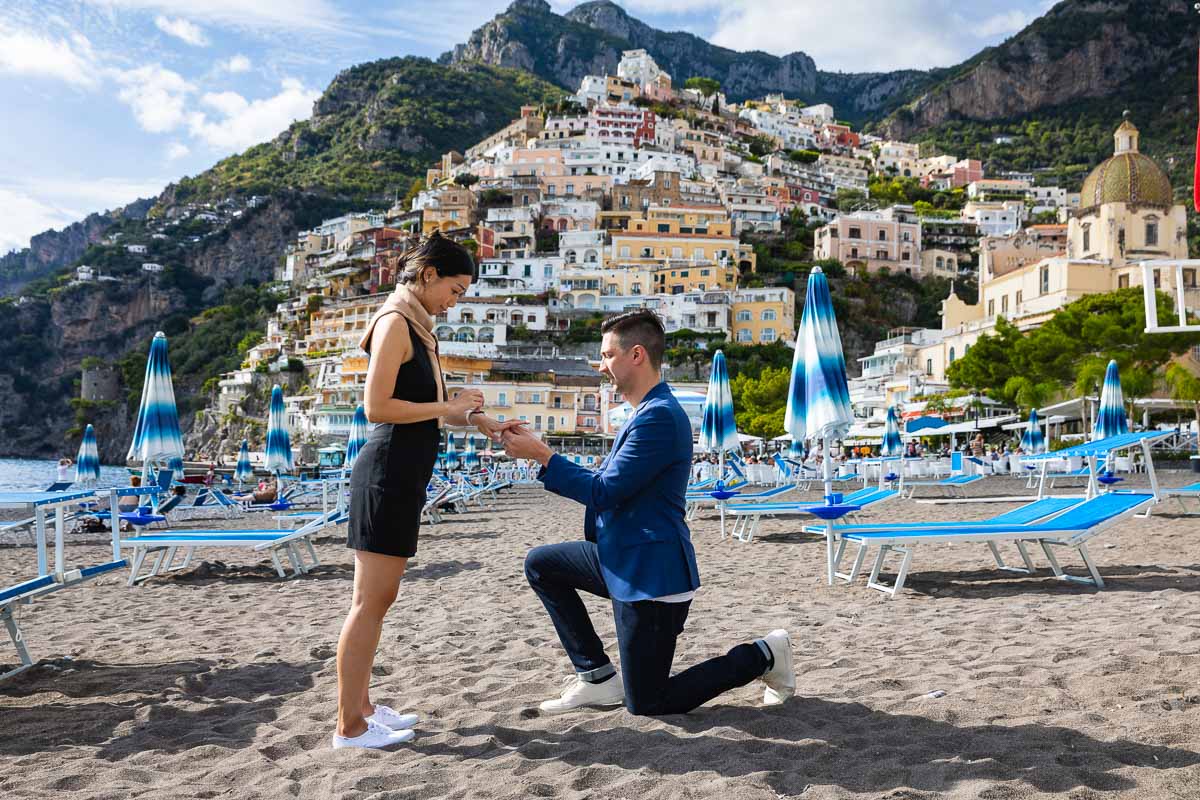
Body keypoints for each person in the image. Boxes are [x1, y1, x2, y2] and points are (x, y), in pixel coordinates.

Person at [502, 309, 795, 717]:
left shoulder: (658, 417)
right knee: (542, 565)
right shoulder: (644, 412)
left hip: (652, 577)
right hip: (621, 556)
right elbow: (610, 484)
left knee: (649, 702)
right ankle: (598, 677)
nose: (601, 365)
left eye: (607, 355)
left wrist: (542, 454)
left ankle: (764, 655)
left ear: (636, 355)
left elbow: (604, 491)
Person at [333, 233, 520, 750]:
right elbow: (377, 407)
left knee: (374, 600)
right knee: (370, 603)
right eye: (455, 290)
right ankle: (349, 727)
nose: (455, 302)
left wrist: (481, 421)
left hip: (402, 469)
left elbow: (431, 407)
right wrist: (448, 407)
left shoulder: (418, 326)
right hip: (387, 469)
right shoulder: (396, 324)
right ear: (430, 274)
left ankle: (364, 708)